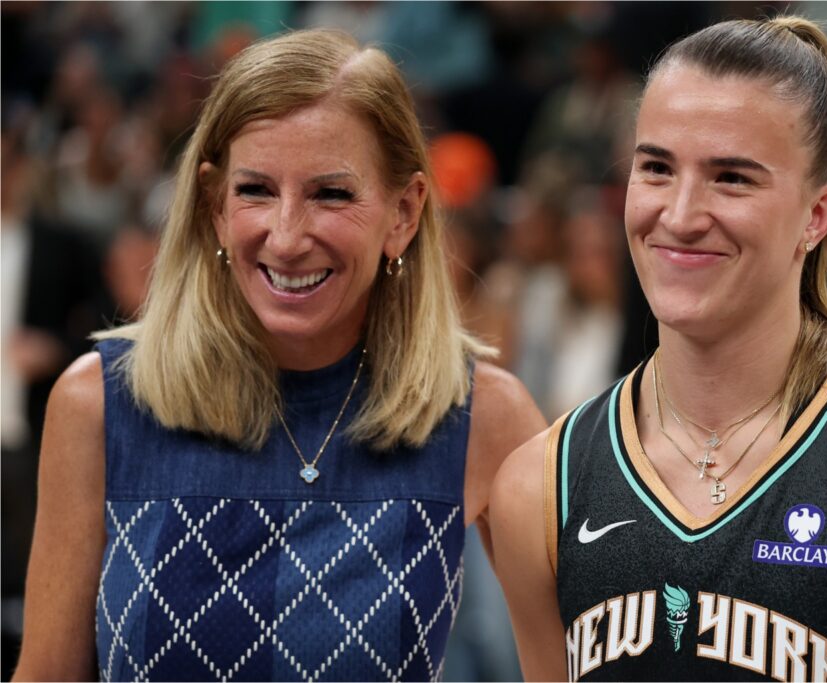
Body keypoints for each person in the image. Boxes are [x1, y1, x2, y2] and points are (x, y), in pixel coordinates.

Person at [491, 16, 827, 682]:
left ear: (818, 215)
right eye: (655, 167)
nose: (680, 215)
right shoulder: (540, 486)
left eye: (732, 178)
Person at [14, 29, 544, 682]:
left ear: (403, 213)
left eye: (331, 193)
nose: (287, 235)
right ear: (213, 204)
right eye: (256, 190)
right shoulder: (99, 405)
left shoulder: (482, 417)